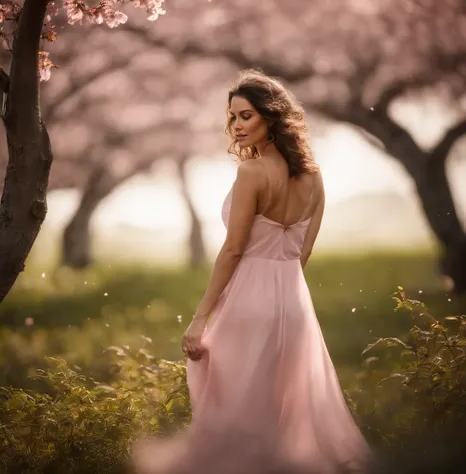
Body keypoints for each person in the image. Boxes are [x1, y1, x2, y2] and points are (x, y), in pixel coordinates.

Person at [134, 69, 372, 474]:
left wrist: (200, 317)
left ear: (272, 117)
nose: (237, 126)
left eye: (246, 116)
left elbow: (232, 250)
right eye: (233, 117)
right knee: (287, 410)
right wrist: (280, 288)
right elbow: (303, 251)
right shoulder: (313, 177)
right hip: (294, 304)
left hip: (248, 300)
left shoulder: (252, 172)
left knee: (236, 409)